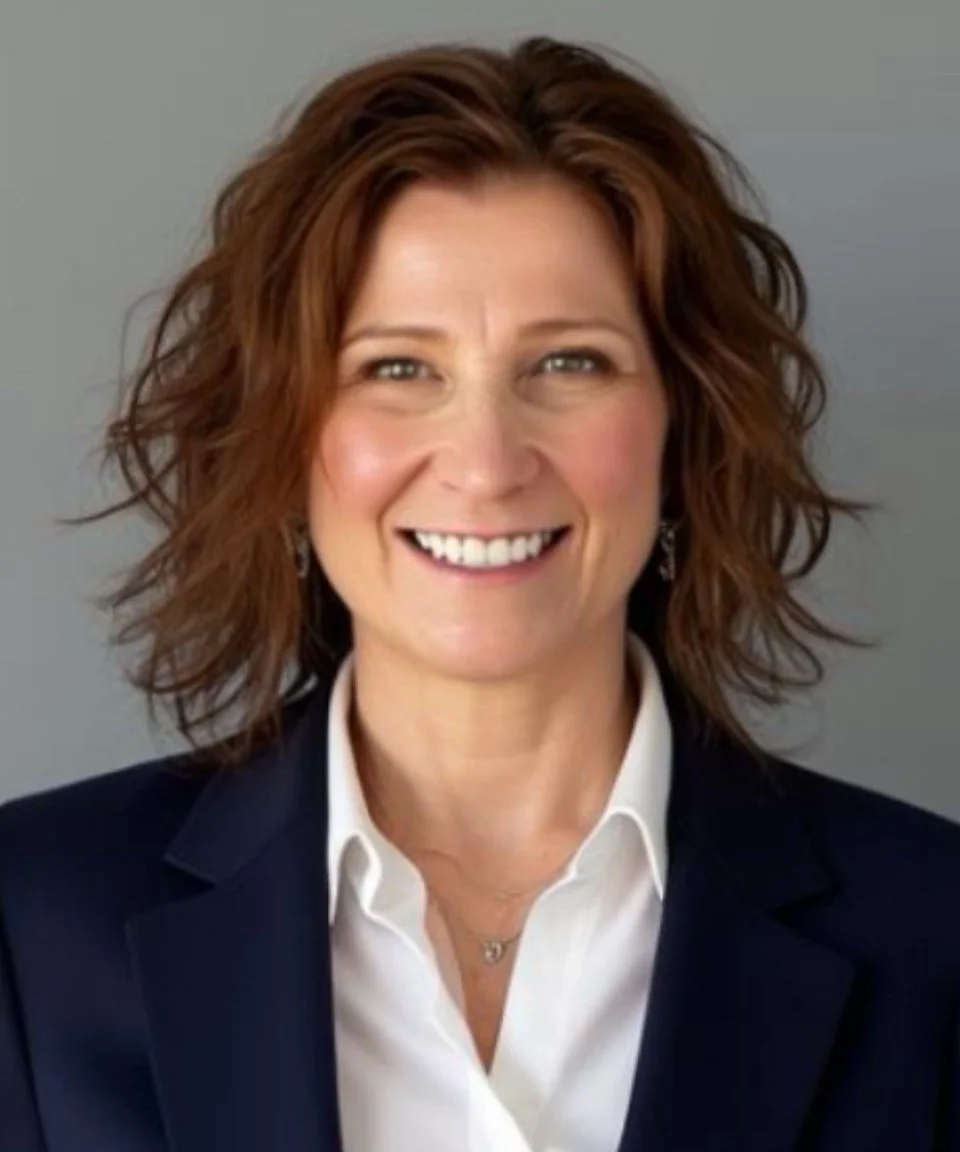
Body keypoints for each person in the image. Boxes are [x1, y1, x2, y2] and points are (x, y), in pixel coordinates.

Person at [1, 33, 958, 1152]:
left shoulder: (933, 931)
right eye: (398, 368)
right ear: (283, 437)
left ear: (683, 427)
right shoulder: (29, 925)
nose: (487, 460)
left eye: (570, 363)